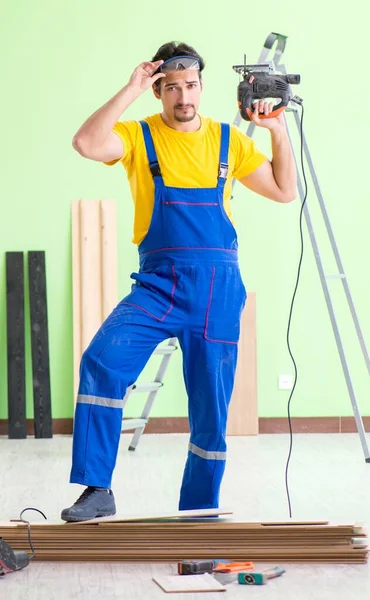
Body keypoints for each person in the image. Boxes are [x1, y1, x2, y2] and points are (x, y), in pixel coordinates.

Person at [61, 41, 297, 522]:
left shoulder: (229, 142)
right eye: (171, 88)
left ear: (202, 87)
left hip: (217, 291)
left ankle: (198, 515)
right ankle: (96, 488)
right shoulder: (136, 137)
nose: (183, 96)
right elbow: (86, 143)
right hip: (157, 285)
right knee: (102, 361)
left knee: (210, 411)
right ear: (157, 92)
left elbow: (284, 190)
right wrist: (129, 88)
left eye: (190, 85)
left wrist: (276, 130)